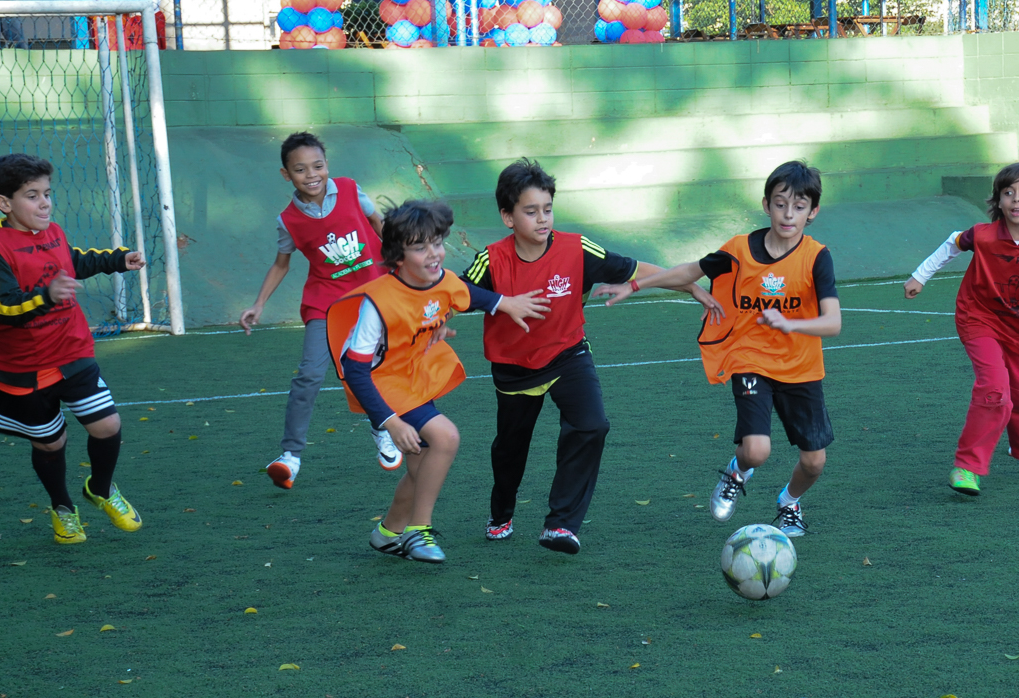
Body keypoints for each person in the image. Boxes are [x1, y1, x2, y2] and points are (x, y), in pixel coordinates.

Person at [463, 158, 721, 555]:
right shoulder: (493, 259)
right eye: (530, 212)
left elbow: (636, 268)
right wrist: (502, 302)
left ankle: (561, 525)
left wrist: (691, 287)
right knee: (511, 450)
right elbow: (458, 294)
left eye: (547, 209)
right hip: (515, 370)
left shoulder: (576, 249)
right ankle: (501, 514)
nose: (542, 219)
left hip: (568, 355)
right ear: (507, 217)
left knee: (592, 425)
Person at [597, 161, 840, 537]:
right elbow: (690, 271)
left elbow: (833, 322)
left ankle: (789, 501)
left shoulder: (816, 256)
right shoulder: (739, 250)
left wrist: (791, 323)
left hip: (800, 367)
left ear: (813, 212)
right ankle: (738, 471)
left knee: (814, 462)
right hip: (750, 358)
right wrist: (635, 285)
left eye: (799, 206)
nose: (788, 214)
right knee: (756, 450)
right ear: (766, 204)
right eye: (780, 204)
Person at [325, 200, 549, 564]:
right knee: (445, 437)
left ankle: (388, 534)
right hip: (382, 384)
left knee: (421, 467)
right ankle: (419, 530)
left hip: (411, 376)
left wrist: (505, 303)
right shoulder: (378, 304)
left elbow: (467, 294)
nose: (433, 254)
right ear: (397, 256)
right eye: (419, 247)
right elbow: (355, 370)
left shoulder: (441, 279)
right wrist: (390, 421)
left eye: (437, 242)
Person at [0, 153, 144, 544]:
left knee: (108, 425)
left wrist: (119, 260)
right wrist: (47, 295)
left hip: (72, 351)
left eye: (47, 193)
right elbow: (4, 304)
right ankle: (63, 507)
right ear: (5, 203)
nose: (45, 203)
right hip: (24, 365)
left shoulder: (54, 233)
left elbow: (74, 261)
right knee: (50, 442)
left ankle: (100, 489)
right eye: (32, 196)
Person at [904, 163, 1019, 496]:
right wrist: (919, 276)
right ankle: (967, 467)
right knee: (995, 390)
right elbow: (951, 244)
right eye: (1008, 192)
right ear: (998, 200)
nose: (1016, 199)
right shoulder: (982, 235)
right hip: (978, 318)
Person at [239, 131, 397, 490]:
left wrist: (401, 263)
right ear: (286, 175)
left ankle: (381, 427)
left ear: (327, 165)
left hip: (372, 295)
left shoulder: (351, 189)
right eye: (300, 169)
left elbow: (381, 226)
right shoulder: (288, 220)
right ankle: (290, 457)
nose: (311, 175)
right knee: (310, 374)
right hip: (325, 302)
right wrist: (258, 303)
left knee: (371, 369)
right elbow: (281, 264)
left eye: (318, 166)